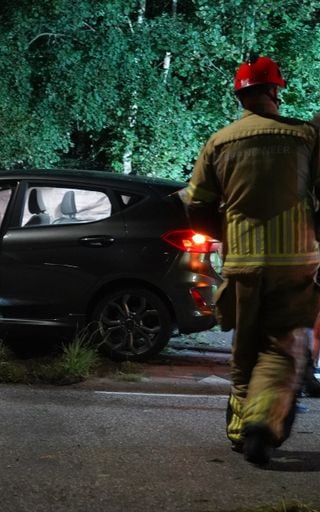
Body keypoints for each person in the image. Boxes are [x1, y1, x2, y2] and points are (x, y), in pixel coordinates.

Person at [183, 56, 320, 465]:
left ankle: (241, 427)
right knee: (281, 345)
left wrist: (229, 237)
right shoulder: (305, 137)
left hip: (242, 264)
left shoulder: (219, 141)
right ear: (276, 91)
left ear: (240, 94)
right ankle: (261, 424)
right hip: (294, 263)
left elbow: (198, 206)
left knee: (244, 349)